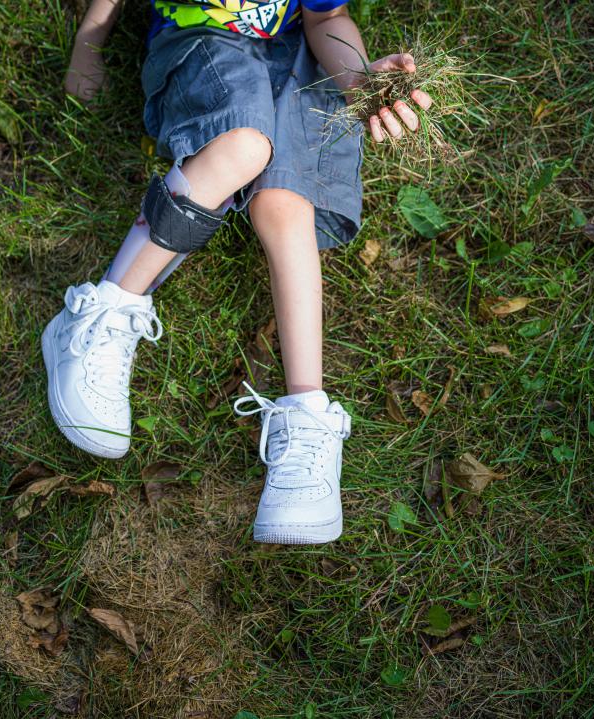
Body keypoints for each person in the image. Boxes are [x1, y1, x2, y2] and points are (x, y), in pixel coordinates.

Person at [44, 0, 433, 544]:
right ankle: (102, 313)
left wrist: (358, 79)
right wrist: (89, 42)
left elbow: (325, 18)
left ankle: (307, 417)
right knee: (242, 146)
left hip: (298, 53)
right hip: (202, 40)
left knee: (283, 203)